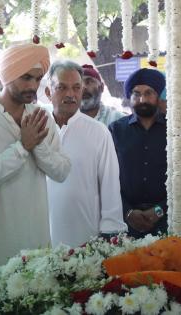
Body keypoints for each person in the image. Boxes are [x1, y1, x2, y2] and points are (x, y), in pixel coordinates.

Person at [0, 43, 71, 282]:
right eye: (26, 78)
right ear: (7, 74)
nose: (33, 86)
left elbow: (61, 171)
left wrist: (38, 146)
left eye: (38, 79)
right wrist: (22, 148)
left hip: (35, 237)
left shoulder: (41, 117)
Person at [45, 60, 127, 248]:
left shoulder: (99, 132)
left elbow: (110, 185)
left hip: (86, 237)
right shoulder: (37, 126)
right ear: (48, 92)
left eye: (76, 88)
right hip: (40, 233)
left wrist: (110, 233)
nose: (70, 94)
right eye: (62, 88)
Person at [109, 68, 167, 239]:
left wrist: (159, 210)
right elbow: (106, 177)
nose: (142, 99)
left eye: (148, 93)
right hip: (124, 221)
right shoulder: (116, 130)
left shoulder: (173, 130)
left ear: (158, 96)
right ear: (130, 97)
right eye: (136, 94)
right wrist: (127, 212)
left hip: (166, 220)